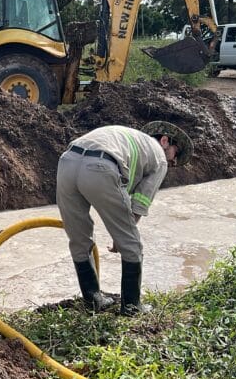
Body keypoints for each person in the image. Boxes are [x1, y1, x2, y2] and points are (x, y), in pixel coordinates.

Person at [56, 121, 193, 316]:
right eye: (175, 155)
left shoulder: (130, 139)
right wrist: (122, 237)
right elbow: (140, 203)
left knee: (79, 238)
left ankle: (93, 300)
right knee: (132, 245)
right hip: (101, 167)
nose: (173, 162)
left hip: (67, 162)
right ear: (164, 141)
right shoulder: (159, 158)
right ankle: (132, 307)